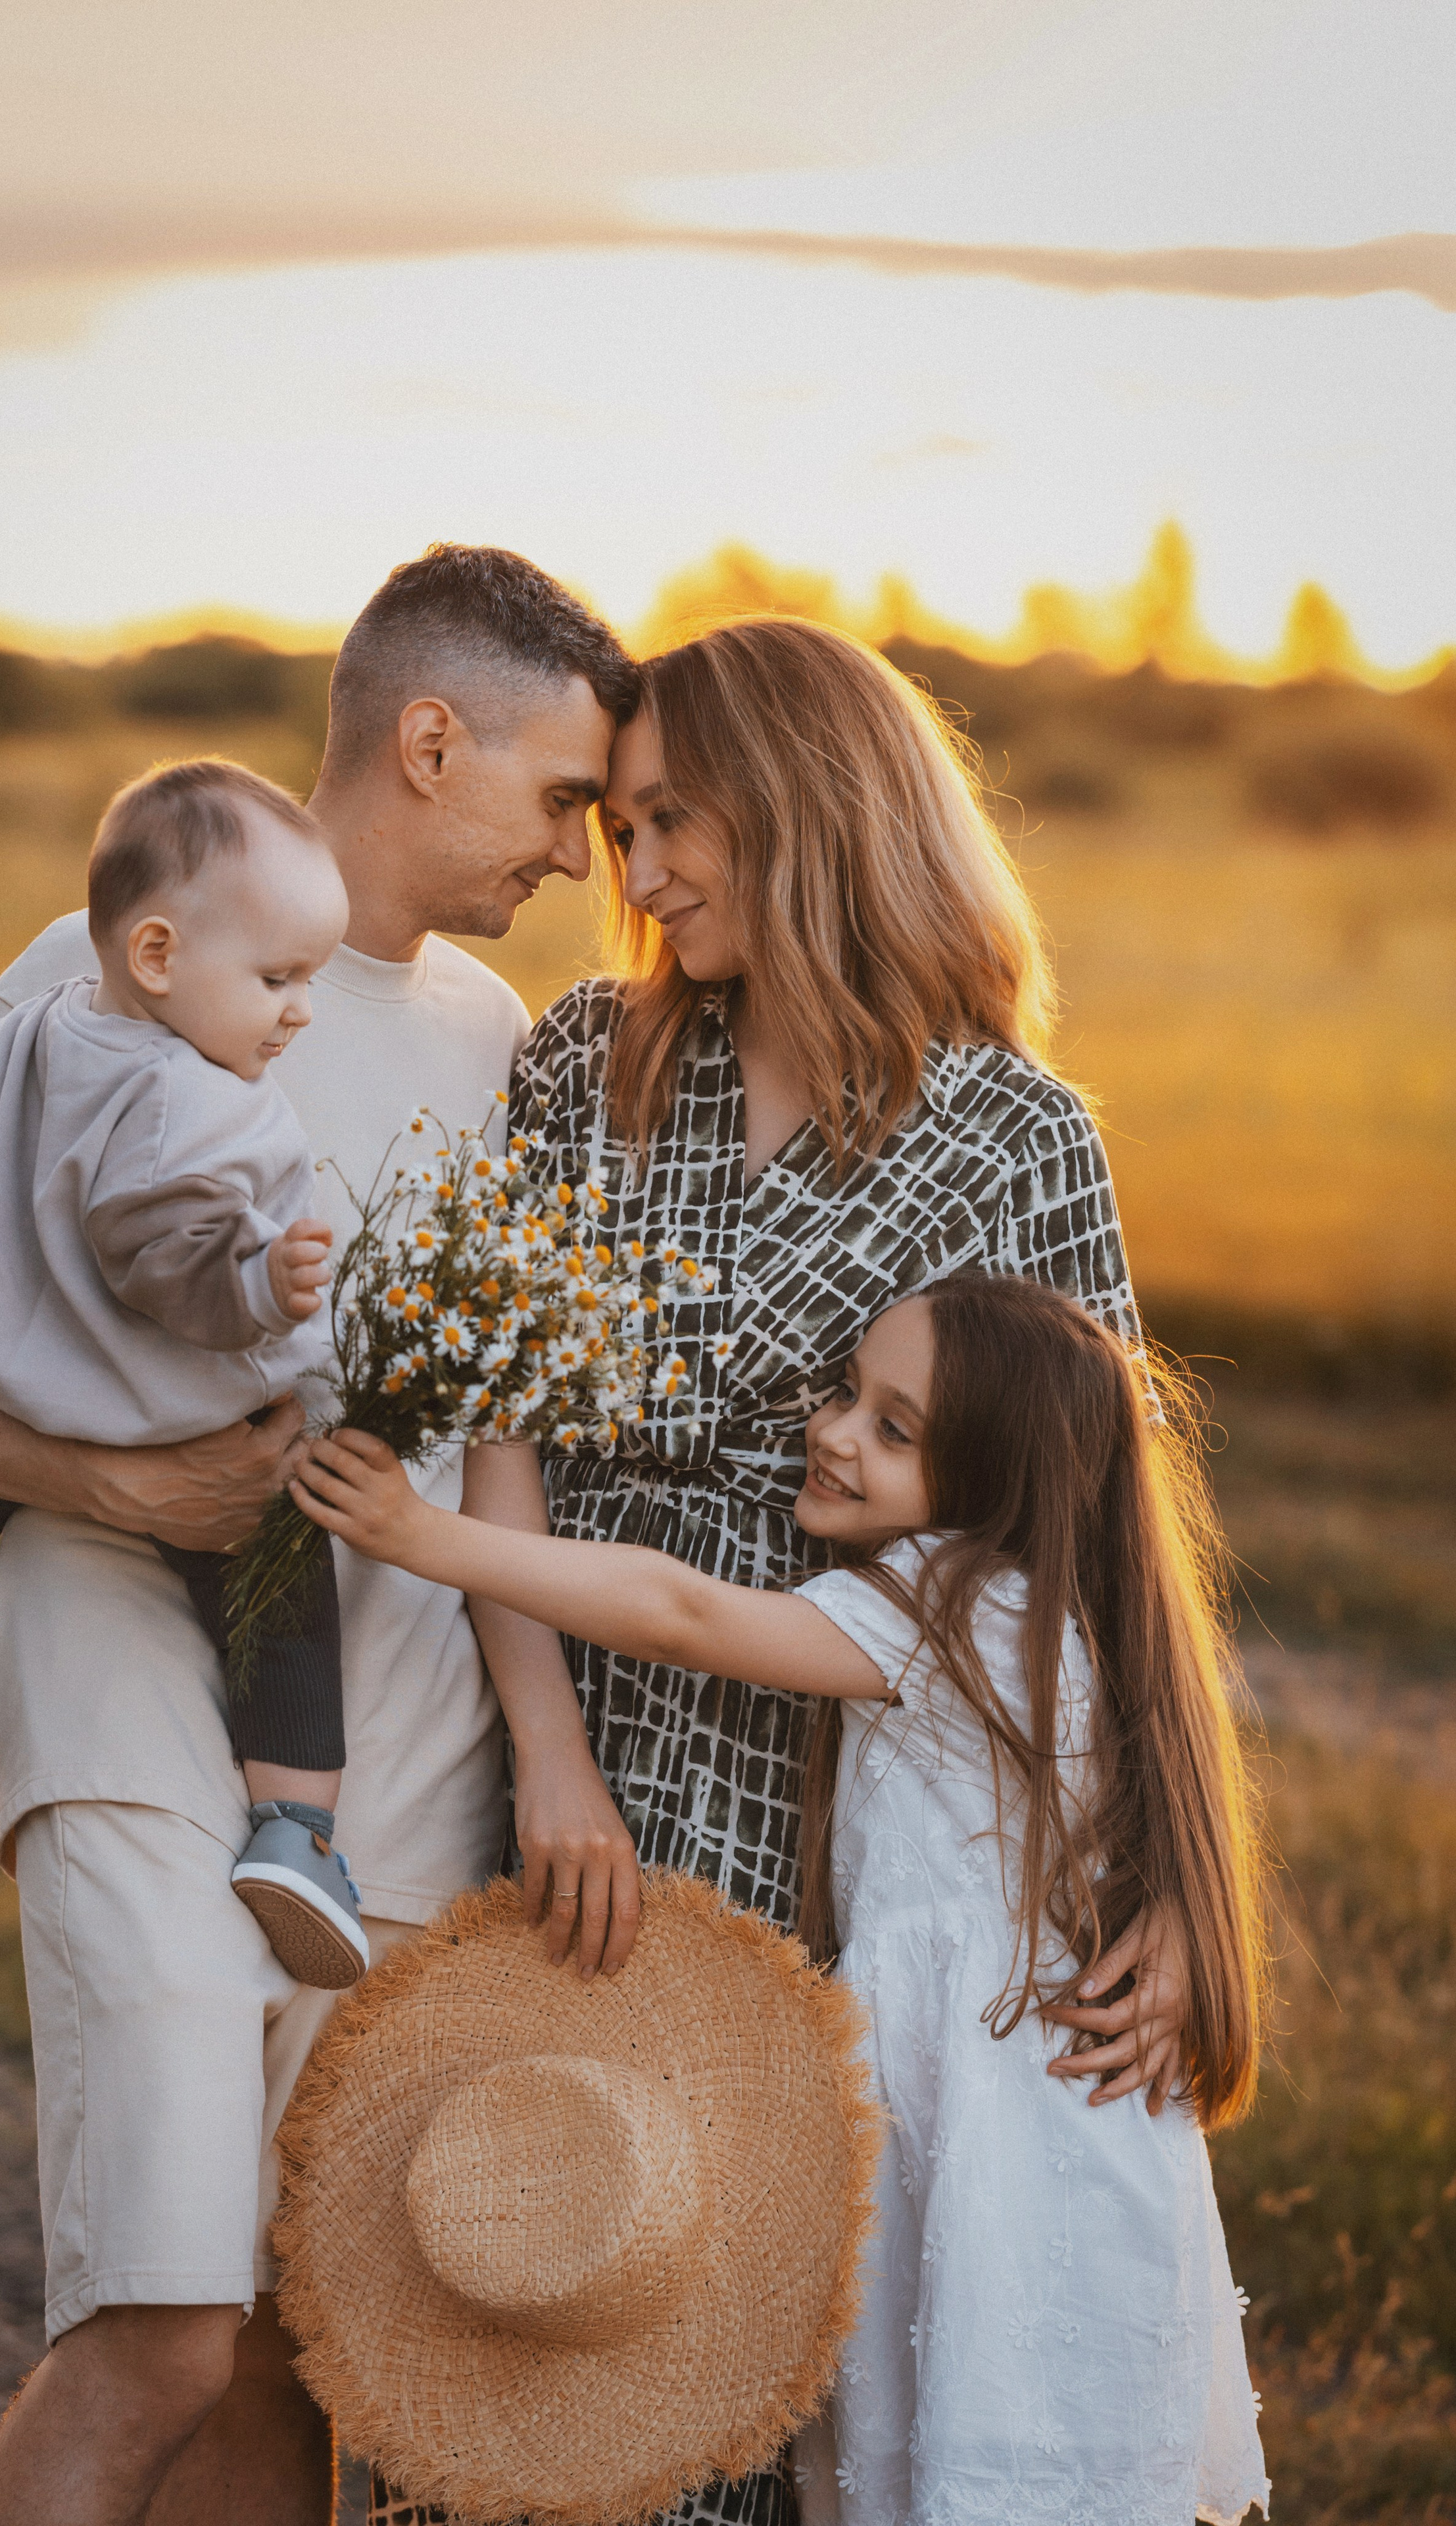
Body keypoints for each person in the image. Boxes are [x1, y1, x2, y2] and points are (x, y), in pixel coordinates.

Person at [0, 545, 642, 2526]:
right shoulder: (120, 966)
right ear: (431, 741)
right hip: (128, 1706)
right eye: (561, 802)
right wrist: (121, 1489)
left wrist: (548, 1750)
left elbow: (497, 1427)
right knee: (162, 2328)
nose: (573, 855)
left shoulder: (495, 1036)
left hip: (398, 1755)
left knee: (292, 2339)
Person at [427, 615, 1197, 2526]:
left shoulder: (1020, 1138)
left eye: (679, 817)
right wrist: (546, 1744)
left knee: (792, 2369)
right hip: (579, 1735)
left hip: (858, 1803)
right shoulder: (586, 1062)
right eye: (620, 826)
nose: (643, 869)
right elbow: (498, 1413)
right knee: (536, 2283)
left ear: (814, 804)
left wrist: (1174, 1896)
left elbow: (1101, 1562)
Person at [289, 1272, 1273, 2526]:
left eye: (894, 1428)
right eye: (850, 1392)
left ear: (994, 1478)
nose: (835, 1431)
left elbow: (684, 1612)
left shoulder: (961, 1608)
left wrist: (423, 1536)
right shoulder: (1063, 1621)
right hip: (1031, 2129)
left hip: (996, 2142)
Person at [0, 759, 370, 1988]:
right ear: (158, 954)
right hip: (183, 1412)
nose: (300, 1012)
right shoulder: (204, 1103)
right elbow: (162, 1249)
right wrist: (265, 1288)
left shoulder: (27, 1035)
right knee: (281, 1592)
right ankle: (296, 1828)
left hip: (24, 1377)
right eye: (278, 978)